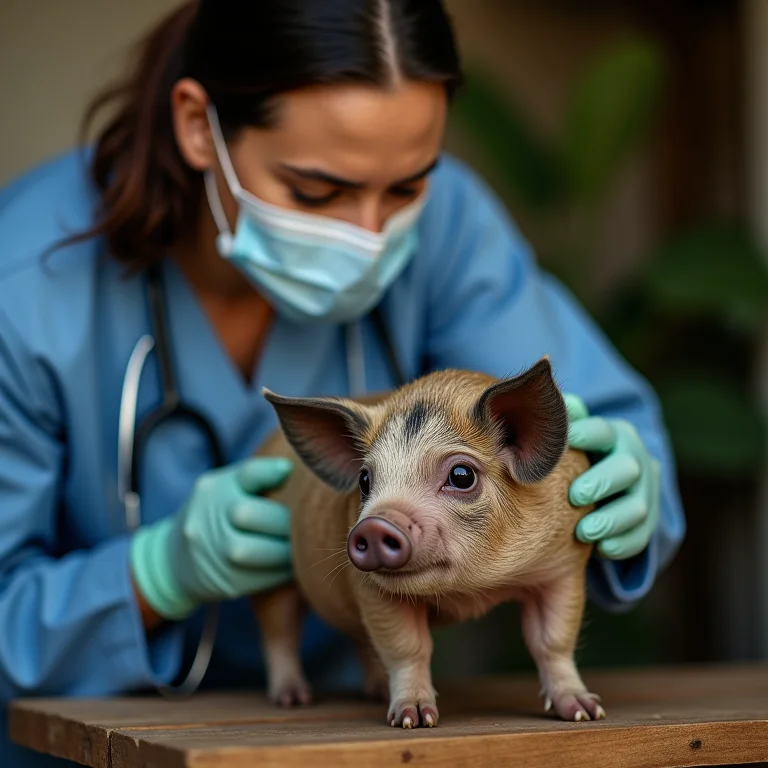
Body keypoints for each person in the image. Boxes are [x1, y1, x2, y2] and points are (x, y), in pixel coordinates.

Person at [0, 1, 685, 765]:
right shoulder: (24, 283)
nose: (369, 236)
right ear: (200, 127)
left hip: (356, 736)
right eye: (317, 192)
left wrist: (619, 485)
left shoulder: (449, 220)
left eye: (404, 189)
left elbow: (599, 422)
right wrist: (154, 575)